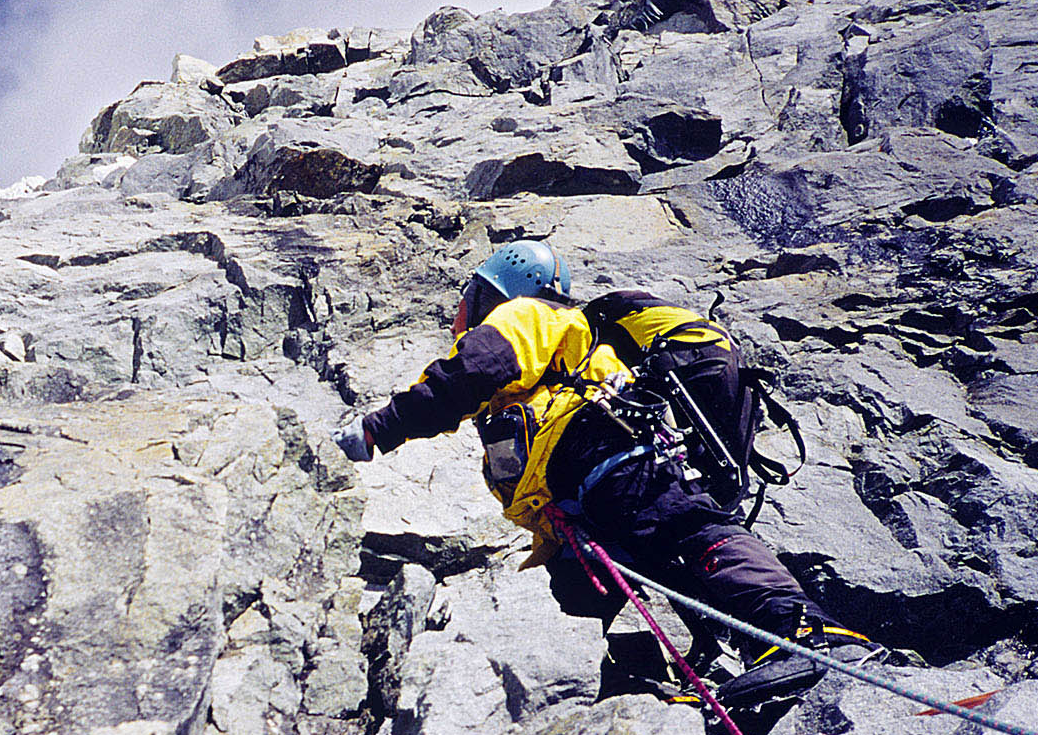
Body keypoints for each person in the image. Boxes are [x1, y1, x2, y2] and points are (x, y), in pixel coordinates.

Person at [332, 240, 886, 709]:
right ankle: (660, 683)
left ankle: (805, 631)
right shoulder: (548, 355)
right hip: (582, 494)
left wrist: (381, 429)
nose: (460, 313)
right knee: (595, 590)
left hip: (605, 451)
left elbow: (470, 373)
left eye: (468, 297)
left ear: (493, 291)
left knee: (685, 528)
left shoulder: (527, 316)